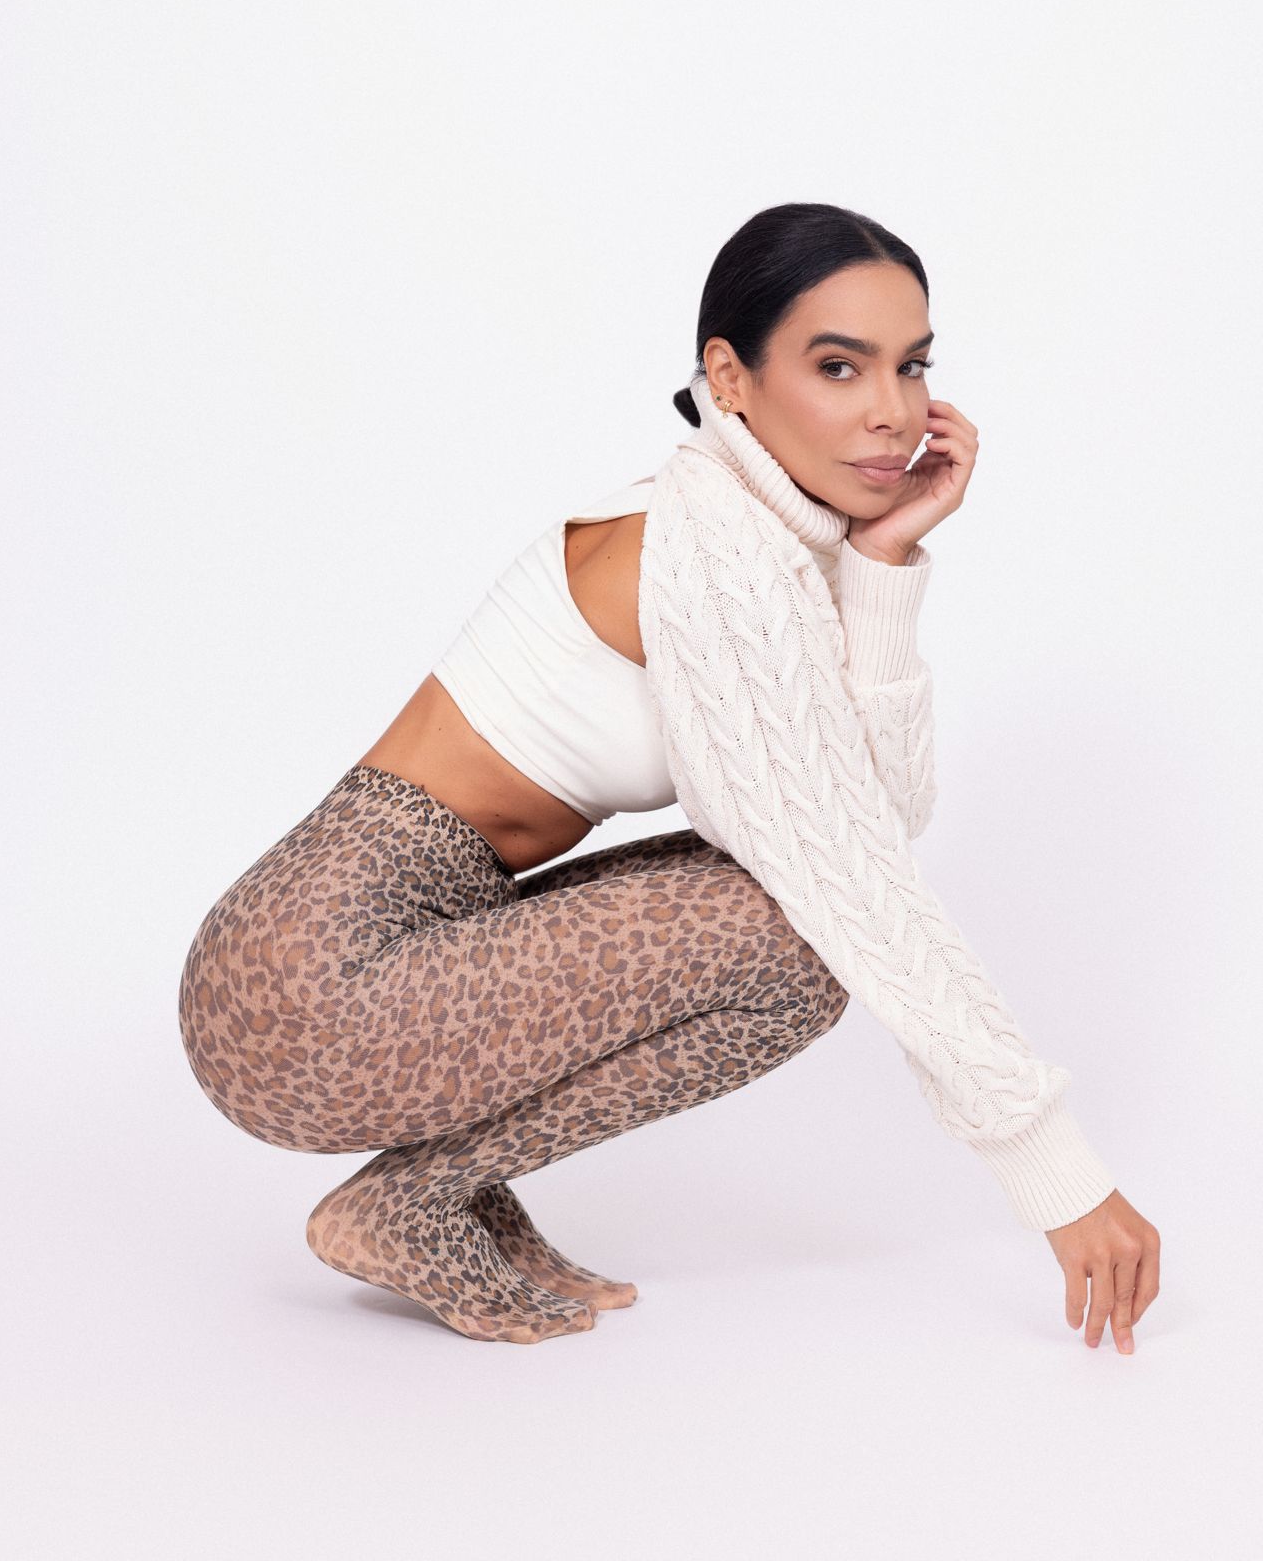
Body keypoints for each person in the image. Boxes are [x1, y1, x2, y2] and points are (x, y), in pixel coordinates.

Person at [178, 202, 1160, 1350]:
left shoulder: (752, 532)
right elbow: (851, 876)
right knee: (798, 940)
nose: (892, 412)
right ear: (728, 377)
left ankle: (430, 1191)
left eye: (911, 365)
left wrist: (884, 566)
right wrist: (1054, 1173)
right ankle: (410, 1201)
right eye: (836, 366)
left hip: (371, 953)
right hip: (307, 989)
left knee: (800, 921)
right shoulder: (709, 555)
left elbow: (873, 817)